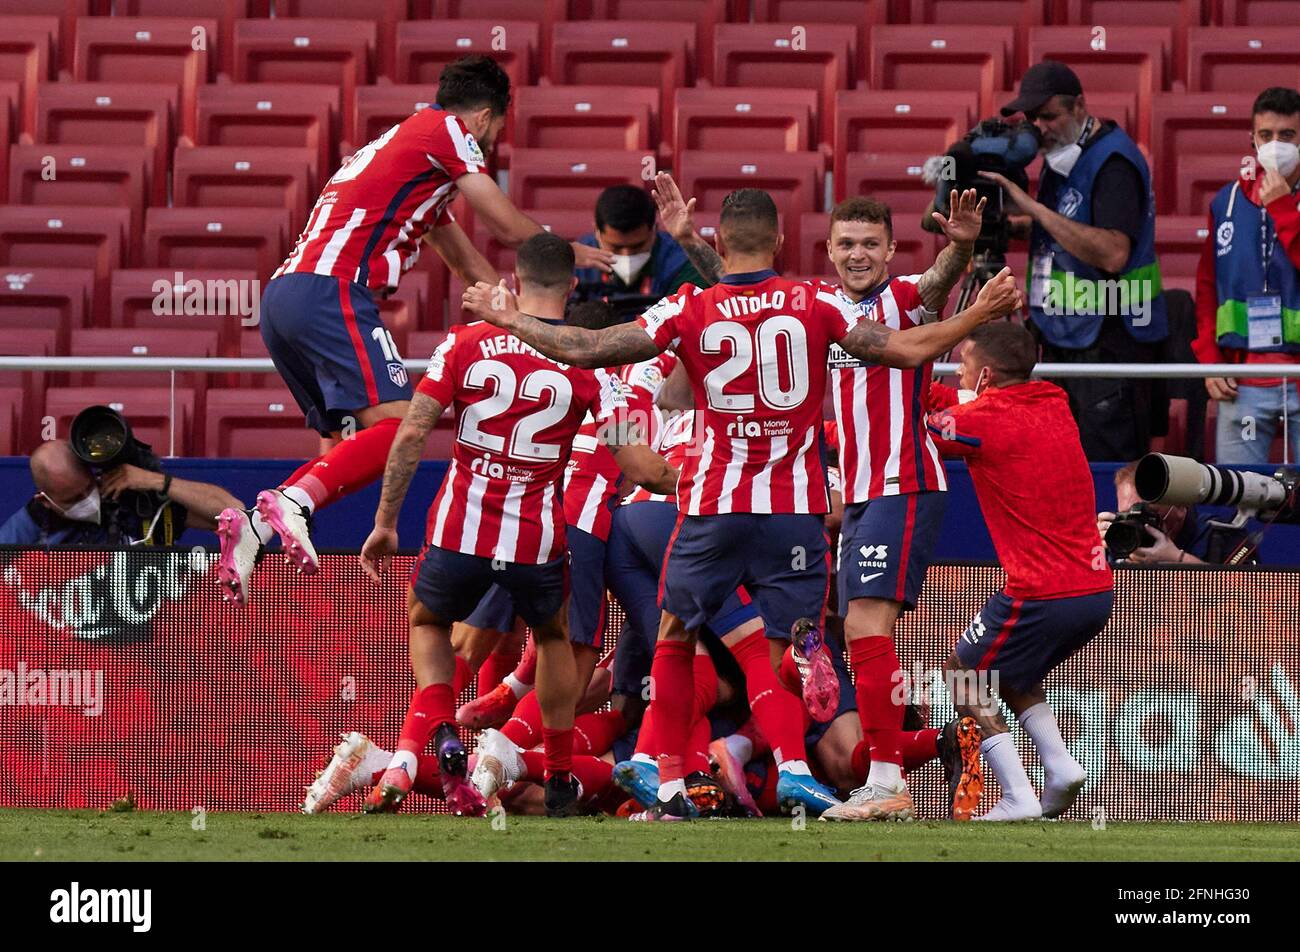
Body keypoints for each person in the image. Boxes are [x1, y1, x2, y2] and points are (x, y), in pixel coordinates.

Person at [464, 186, 1023, 820]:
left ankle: (510, 750)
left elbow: (619, 425)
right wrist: (978, 313)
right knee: (761, 654)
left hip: (617, 517)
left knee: (631, 649)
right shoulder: (812, 305)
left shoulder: (655, 342)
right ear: (785, 241)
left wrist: (509, 320)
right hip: (786, 509)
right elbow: (898, 345)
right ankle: (772, 757)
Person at [215, 55, 611, 604]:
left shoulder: (409, 162)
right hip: (332, 290)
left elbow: (469, 264)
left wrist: (521, 321)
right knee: (404, 428)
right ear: (484, 117)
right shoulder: (446, 130)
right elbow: (501, 223)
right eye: (495, 129)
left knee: (346, 445)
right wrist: (565, 250)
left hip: (287, 299)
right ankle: (289, 503)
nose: (491, 141)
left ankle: (257, 527)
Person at [356, 233, 675, 818]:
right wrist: (691, 481)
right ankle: (556, 774)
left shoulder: (462, 343)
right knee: (553, 639)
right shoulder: (592, 369)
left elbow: (409, 434)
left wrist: (384, 521)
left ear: (515, 279)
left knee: (428, 622)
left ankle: (430, 735)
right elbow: (637, 464)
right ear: (572, 286)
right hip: (537, 539)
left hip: (458, 531)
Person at [926, 322, 1115, 821]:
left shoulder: (985, 420)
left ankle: (1017, 794)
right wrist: (935, 391)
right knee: (1014, 673)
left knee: (962, 673)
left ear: (984, 374)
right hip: (1096, 590)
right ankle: (1060, 767)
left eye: (963, 363)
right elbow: (962, 409)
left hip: (1040, 592)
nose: (958, 371)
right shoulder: (1055, 402)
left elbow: (919, 430)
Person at [987, 60, 1168, 461]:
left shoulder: (1113, 162)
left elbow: (1112, 252)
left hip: (1111, 340)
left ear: (1080, 107)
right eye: (1033, 118)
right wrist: (1004, 226)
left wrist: (1034, 211)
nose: (1040, 128)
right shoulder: (1062, 156)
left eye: (1049, 116)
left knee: (1106, 471)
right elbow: (1066, 232)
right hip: (1066, 336)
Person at [1193, 86, 1300, 464]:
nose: (1275, 145)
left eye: (1287, 135)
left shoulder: (1286, 203)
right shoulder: (1226, 202)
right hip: (1242, 382)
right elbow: (1207, 288)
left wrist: (1283, 208)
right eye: (1266, 135)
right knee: (1240, 506)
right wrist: (1210, 361)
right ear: (1252, 140)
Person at [0, 439, 242, 546]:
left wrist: (157, 481)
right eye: (74, 499)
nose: (89, 500)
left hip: (147, 645)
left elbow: (237, 515)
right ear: (46, 501)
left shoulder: (134, 503)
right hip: (70, 648)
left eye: (88, 488)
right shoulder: (27, 528)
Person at [571, 185, 704, 319]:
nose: (626, 255)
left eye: (637, 246)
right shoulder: (574, 262)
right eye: (615, 248)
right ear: (597, 231)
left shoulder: (683, 262)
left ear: (654, 229)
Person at [1097, 461, 1253, 565]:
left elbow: (1252, 599)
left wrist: (1178, 560)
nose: (1138, 522)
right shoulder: (1115, 540)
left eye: (1149, 512)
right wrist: (1093, 552)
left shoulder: (1223, 536)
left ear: (1179, 506)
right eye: (1128, 514)